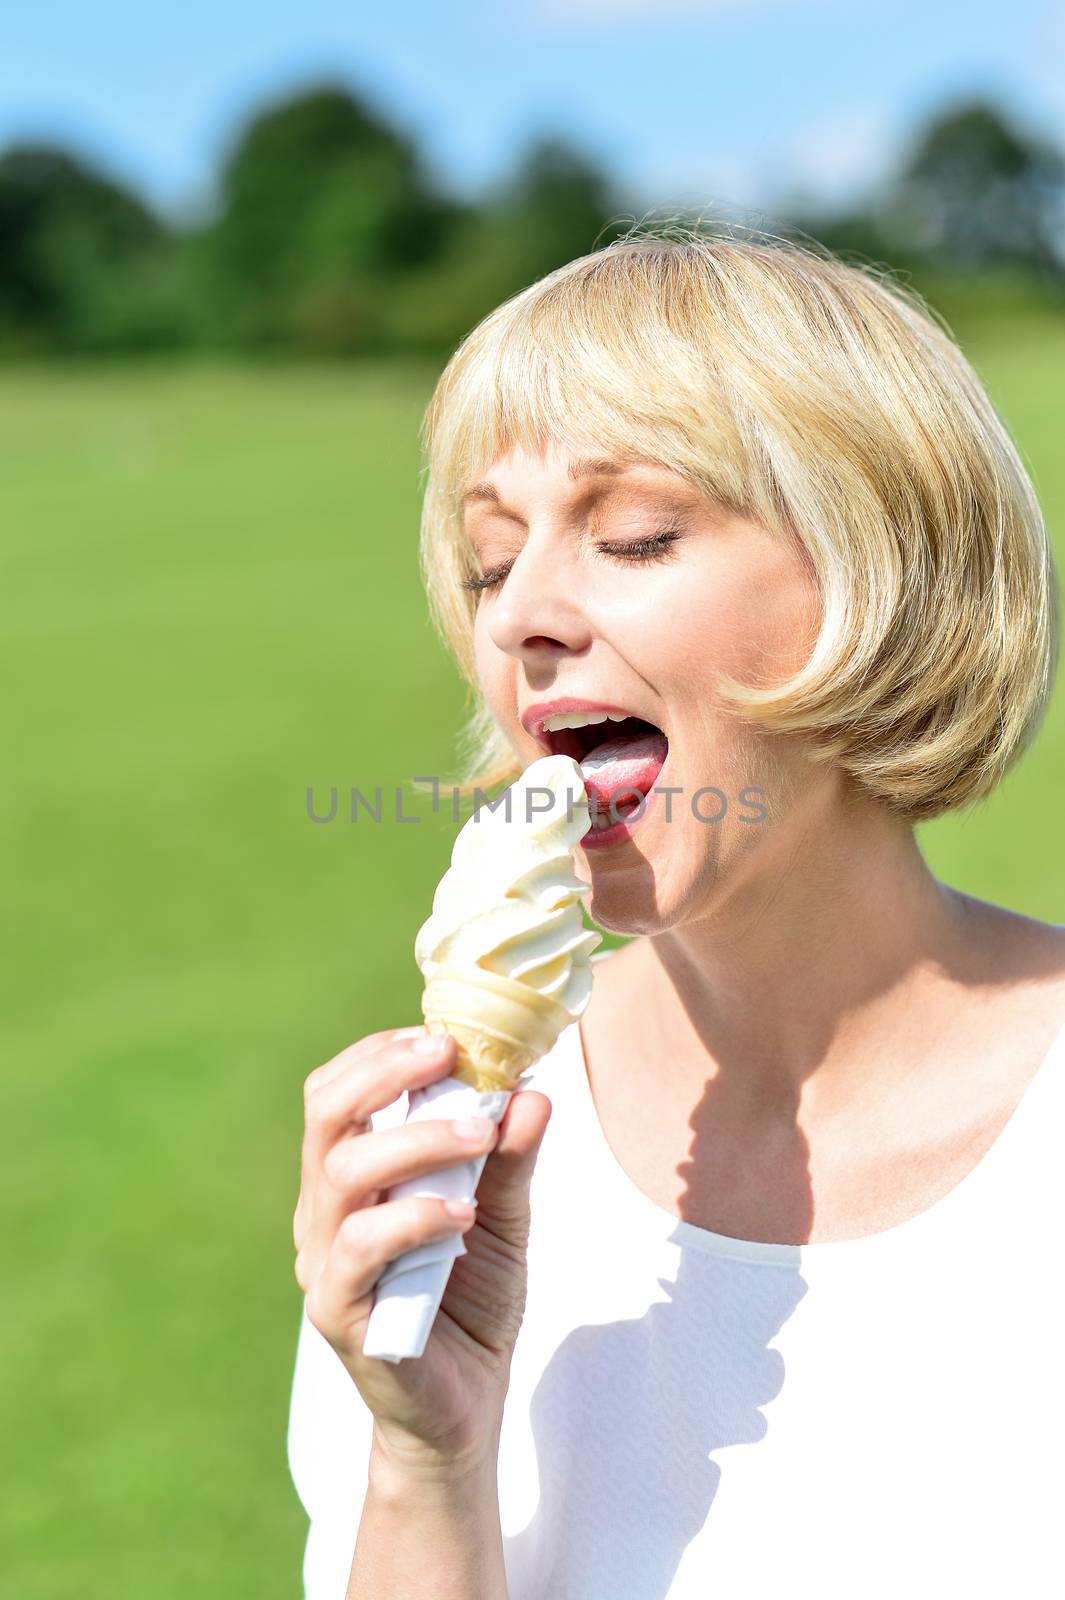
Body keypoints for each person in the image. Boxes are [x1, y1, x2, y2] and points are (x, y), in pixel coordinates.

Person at [287, 226, 1065, 1599]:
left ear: (882, 576)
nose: (520, 613)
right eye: (486, 562)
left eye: (634, 535)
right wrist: (423, 1461)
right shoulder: (448, 1173)